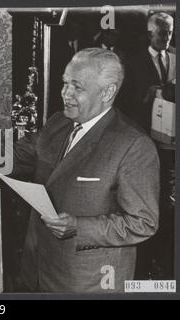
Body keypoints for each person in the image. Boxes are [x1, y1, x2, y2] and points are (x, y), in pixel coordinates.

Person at [10, 48, 160, 292]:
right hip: (39, 266)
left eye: (77, 87)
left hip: (87, 281)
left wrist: (79, 226)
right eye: (65, 83)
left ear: (108, 92)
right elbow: (16, 155)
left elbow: (143, 222)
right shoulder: (59, 122)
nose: (65, 93)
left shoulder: (133, 145)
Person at [125, 12, 175, 132]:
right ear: (150, 35)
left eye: (170, 33)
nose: (167, 38)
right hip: (145, 128)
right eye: (163, 33)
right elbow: (126, 103)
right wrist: (146, 97)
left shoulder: (176, 56)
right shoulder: (133, 63)